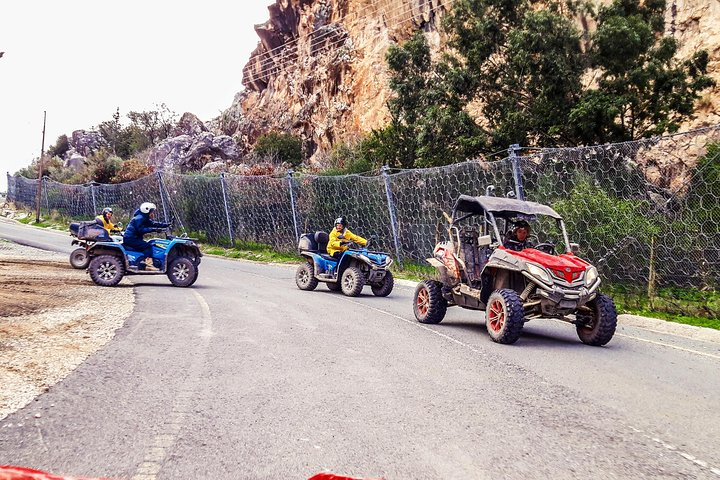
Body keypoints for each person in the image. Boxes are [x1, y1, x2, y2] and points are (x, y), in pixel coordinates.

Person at [122, 202, 170, 270]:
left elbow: (153, 223)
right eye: (152, 212)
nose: (153, 214)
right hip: (131, 239)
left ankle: (144, 261)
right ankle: (149, 265)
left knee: (149, 244)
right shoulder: (139, 218)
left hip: (133, 238)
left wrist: (165, 225)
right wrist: (154, 230)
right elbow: (141, 230)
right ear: (147, 211)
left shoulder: (144, 217)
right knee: (148, 246)